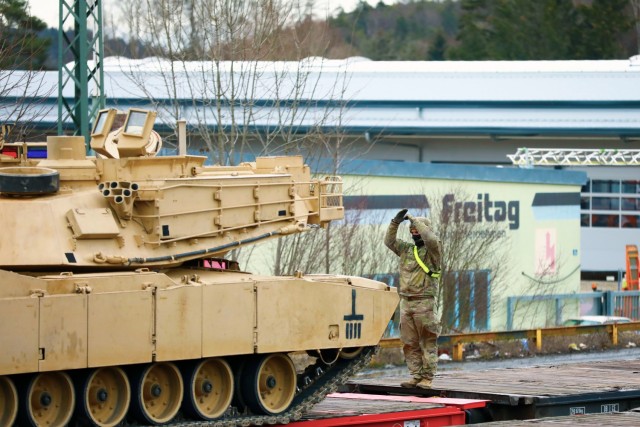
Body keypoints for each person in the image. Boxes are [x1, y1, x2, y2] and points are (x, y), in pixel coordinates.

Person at [384, 208, 443, 389]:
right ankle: (416, 375)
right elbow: (389, 241)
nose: (413, 230)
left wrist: (416, 221)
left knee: (427, 341)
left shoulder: (432, 251)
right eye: (411, 228)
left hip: (424, 301)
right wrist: (395, 222)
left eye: (416, 228)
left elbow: (431, 239)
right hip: (406, 301)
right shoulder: (407, 250)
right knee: (409, 343)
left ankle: (427, 378)